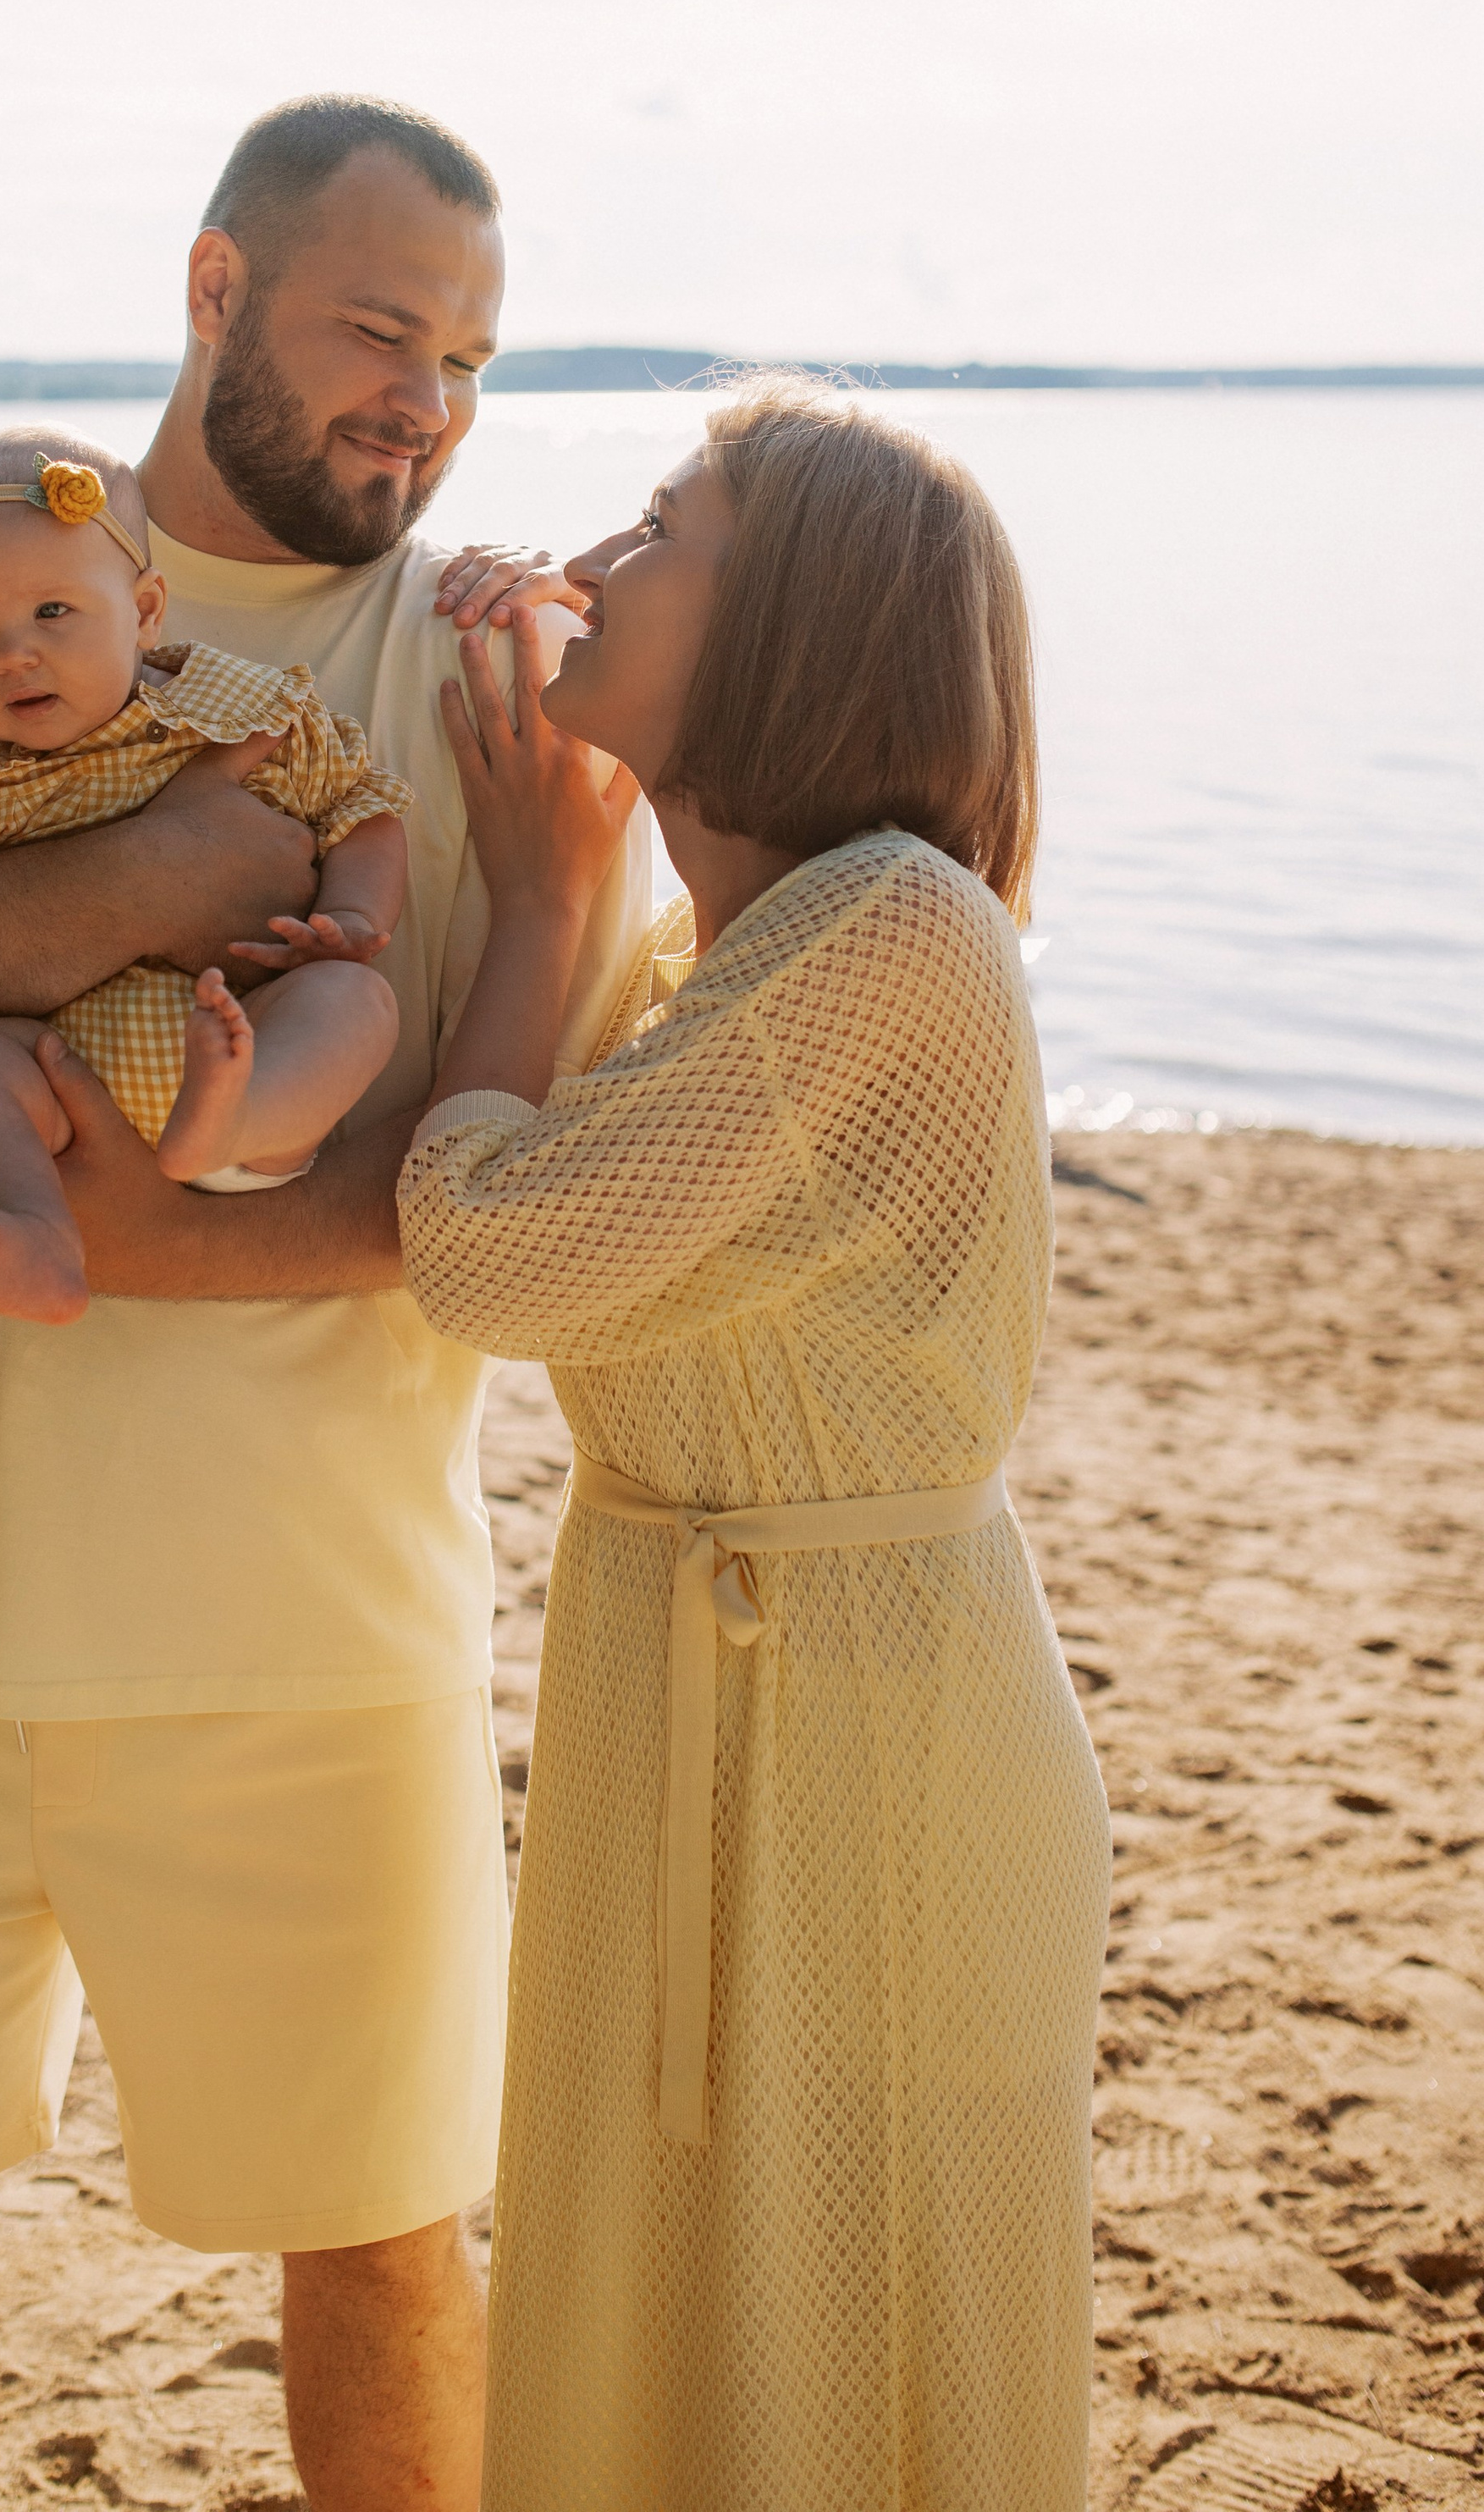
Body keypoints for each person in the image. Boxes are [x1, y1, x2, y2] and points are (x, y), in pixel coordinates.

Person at [0, 94, 655, 2512]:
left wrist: (140, 1152)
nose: (426, 401)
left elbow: (495, 1192)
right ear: (215, 294)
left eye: (470, 355)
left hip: (319, 1635)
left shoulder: (500, 693)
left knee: (387, 2265)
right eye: (375, 328)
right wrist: (209, 853)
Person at [397, 378, 1111, 2510]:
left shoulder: (888, 922)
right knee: (667, 2299)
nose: (591, 562)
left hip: (859, 1728)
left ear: (793, 619)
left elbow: (481, 1255)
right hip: (689, 1674)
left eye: (656, 525)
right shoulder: (716, 953)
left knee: (849, 2310)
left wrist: (538, 896)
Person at [0, 423, 414, 1322]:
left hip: (237, 1035)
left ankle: (242, 1118)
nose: (12, 654)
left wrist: (350, 914)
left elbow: (364, 809)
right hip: (45, 1075)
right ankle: (29, 1225)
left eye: (53, 613)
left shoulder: (231, 713)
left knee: (352, 999)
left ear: (146, 610)